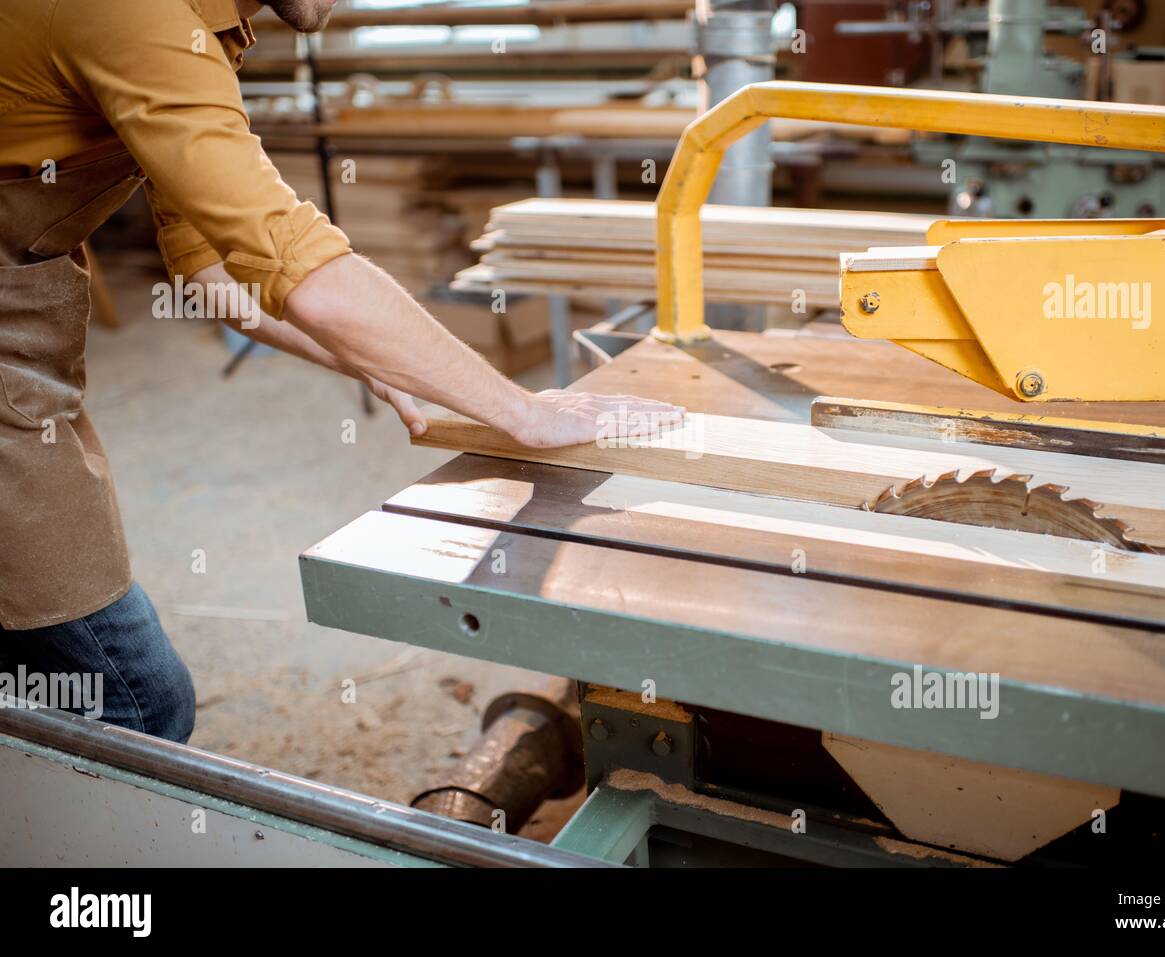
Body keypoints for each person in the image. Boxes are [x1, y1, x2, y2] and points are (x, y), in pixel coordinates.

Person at [0, 0, 683, 742]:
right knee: (137, 701)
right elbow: (309, 273)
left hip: (23, 322)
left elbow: (214, 273)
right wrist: (521, 410)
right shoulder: (142, 18)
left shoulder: (203, 32)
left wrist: (386, 362)